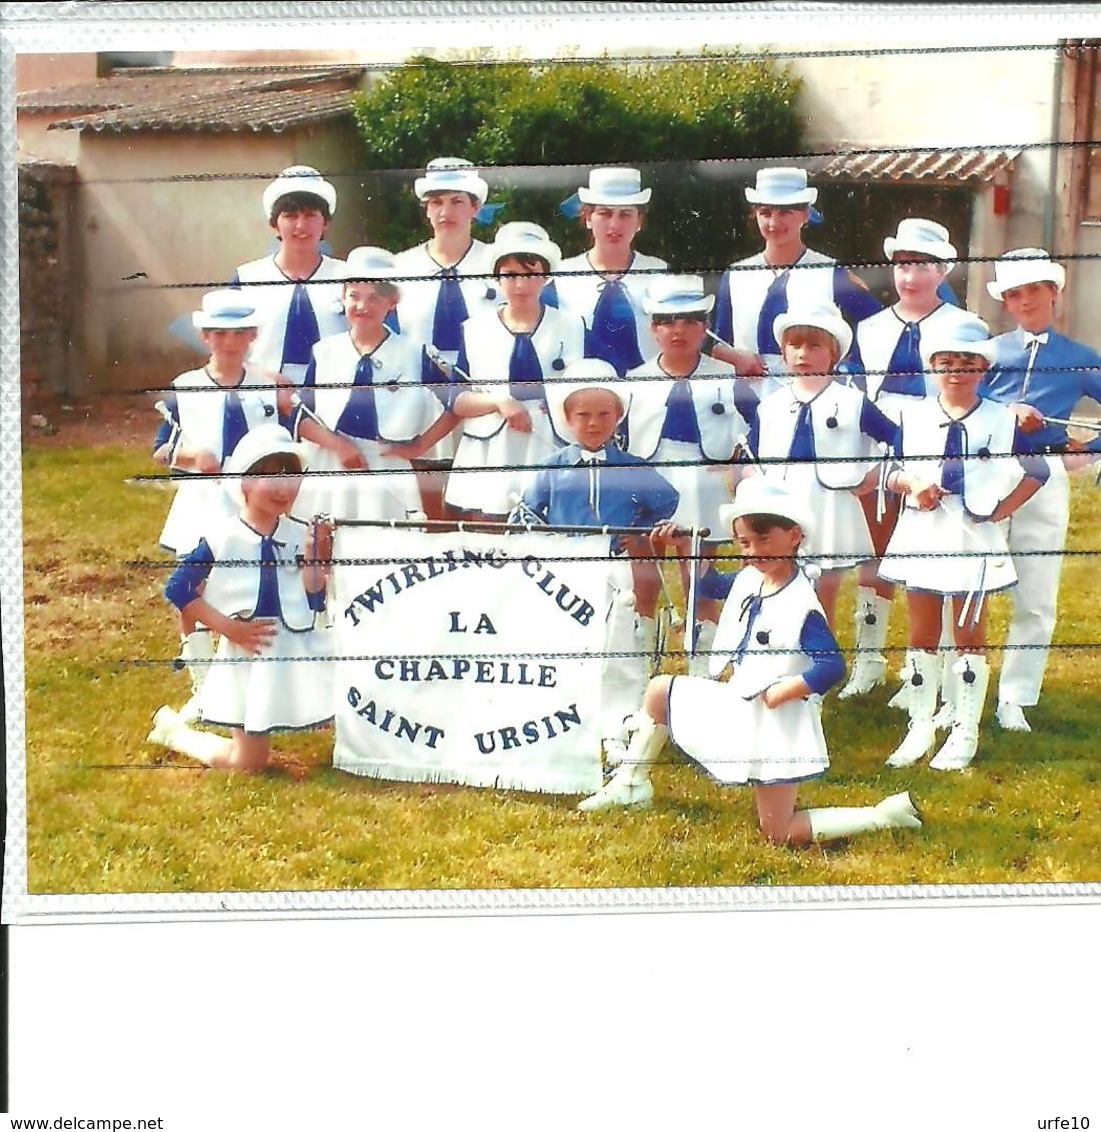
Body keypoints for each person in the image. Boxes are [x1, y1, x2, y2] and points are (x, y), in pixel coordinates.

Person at [577, 477, 922, 846]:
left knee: (779, 832)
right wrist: (683, 547)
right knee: (660, 691)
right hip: (739, 702)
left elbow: (831, 665)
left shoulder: (801, 604)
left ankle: (882, 816)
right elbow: (708, 587)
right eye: (745, 543)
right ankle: (631, 782)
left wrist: (784, 691)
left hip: (777, 724)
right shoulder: (751, 577)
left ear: (794, 537)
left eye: (764, 540)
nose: (754, 551)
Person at [152, 288, 343, 723]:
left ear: (252, 335)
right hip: (207, 500)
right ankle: (203, 684)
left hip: (259, 498)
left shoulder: (269, 384)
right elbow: (160, 450)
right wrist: (190, 456)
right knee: (196, 588)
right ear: (206, 337)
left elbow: (297, 424)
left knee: (253, 583)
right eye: (220, 334)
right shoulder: (187, 387)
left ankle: (255, 677)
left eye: (239, 333)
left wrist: (336, 445)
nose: (230, 342)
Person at [879, 315, 1049, 771]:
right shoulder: (912, 415)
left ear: (983, 368)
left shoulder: (999, 417)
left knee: (969, 632)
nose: (956, 369)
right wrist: (913, 484)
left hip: (973, 535)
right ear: (933, 366)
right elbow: (886, 473)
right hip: (924, 531)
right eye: (946, 361)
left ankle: (964, 730)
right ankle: (919, 726)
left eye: (967, 362)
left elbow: (1039, 472)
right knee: (921, 634)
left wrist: (1000, 509)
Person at [514, 360, 679, 766]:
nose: (593, 423)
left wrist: (639, 529)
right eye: (583, 415)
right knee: (563, 643)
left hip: (614, 567)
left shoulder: (632, 467)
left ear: (618, 416)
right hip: (565, 566)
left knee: (617, 643)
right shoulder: (553, 467)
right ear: (567, 419)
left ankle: (617, 726)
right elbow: (527, 513)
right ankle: (562, 723)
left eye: (604, 414)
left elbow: (666, 501)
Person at [839, 218, 977, 700]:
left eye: (921, 266)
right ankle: (868, 659)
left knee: (932, 557)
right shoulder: (872, 327)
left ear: (942, 271)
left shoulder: (960, 327)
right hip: (879, 446)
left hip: (934, 447)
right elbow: (856, 391)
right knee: (876, 554)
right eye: (901, 265)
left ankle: (928, 668)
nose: (909, 277)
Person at [147, 425, 335, 773]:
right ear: (245, 481)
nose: (283, 489)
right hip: (247, 656)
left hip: (292, 650)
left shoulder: (298, 533)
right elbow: (178, 589)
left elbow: (314, 596)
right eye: (270, 478)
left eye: (291, 477)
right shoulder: (222, 538)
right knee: (247, 764)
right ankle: (174, 733)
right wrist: (229, 629)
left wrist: (315, 559)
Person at [980, 248, 1101, 732]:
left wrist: (1088, 450)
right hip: (987, 474)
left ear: (1053, 292)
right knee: (967, 583)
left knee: (1036, 590)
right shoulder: (987, 353)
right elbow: (955, 403)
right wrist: (1004, 414)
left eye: (1033, 290)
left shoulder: (1078, 358)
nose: (1025, 301)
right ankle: (953, 684)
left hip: (1046, 477)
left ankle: (1015, 696)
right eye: (1014, 294)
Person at [622, 274, 758, 674]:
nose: (677, 330)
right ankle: (641, 661)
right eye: (666, 321)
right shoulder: (635, 381)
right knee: (644, 580)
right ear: (653, 328)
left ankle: (704, 666)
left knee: (698, 576)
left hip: (704, 484)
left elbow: (748, 433)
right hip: (650, 483)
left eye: (689, 321)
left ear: (704, 328)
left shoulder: (725, 378)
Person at [747, 301, 898, 628]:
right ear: (783, 353)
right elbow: (757, 455)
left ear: (834, 353)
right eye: (795, 346)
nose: (803, 354)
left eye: (814, 346)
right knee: (782, 581)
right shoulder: (770, 405)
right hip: (783, 501)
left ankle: (821, 659)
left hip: (829, 503)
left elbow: (895, 438)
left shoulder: (852, 401)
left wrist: (874, 474)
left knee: (822, 586)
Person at [293, 246, 455, 524]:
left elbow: (458, 401)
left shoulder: (414, 353)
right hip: (332, 462)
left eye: (374, 298)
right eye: (354, 296)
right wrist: (338, 446)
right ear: (342, 298)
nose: (362, 306)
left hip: (386, 462)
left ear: (392, 302)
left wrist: (419, 446)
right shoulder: (325, 351)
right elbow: (299, 416)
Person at [445, 222, 586, 520]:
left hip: (550, 443)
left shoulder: (572, 326)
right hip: (493, 448)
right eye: (510, 276)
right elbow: (457, 400)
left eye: (530, 275)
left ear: (545, 277)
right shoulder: (475, 329)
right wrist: (499, 402)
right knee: (492, 532)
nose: (520, 285)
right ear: (497, 277)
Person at [711, 166, 882, 397]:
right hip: (746, 399)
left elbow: (877, 326)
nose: (773, 223)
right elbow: (718, 339)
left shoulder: (830, 272)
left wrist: (844, 373)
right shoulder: (736, 275)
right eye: (765, 213)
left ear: (804, 215)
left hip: (813, 398)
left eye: (785, 213)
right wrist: (734, 357)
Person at [391, 156, 501, 509]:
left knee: (478, 509)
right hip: (421, 403)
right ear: (426, 209)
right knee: (430, 512)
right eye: (436, 202)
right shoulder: (400, 267)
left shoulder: (499, 264)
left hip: (484, 401)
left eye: (457, 201)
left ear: (475, 207)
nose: (445, 212)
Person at [231, 165, 348, 385]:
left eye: (311, 215)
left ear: (326, 224)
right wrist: (264, 378)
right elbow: (225, 349)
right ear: (275, 225)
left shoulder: (347, 277)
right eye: (290, 216)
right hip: (263, 396)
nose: (301, 225)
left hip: (335, 398)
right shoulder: (247, 279)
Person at [551, 167, 668, 376]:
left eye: (625, 215)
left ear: (639, 221)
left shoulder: (659, 273)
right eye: (605, 213)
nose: (615, 224)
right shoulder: (562, 276)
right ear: (587, 218)